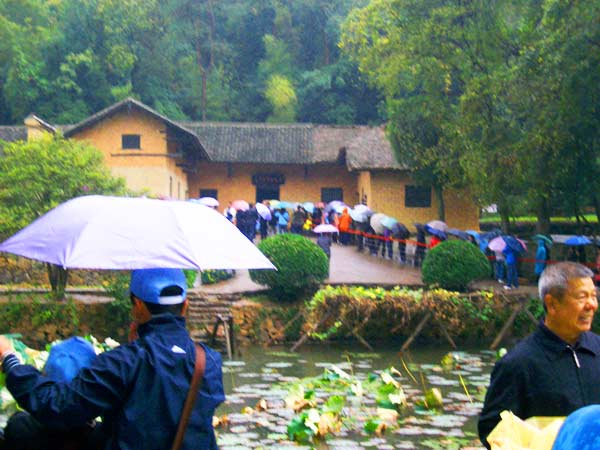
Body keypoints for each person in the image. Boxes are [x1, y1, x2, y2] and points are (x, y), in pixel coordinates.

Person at [0, 268, 225, 450]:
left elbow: (57, 405)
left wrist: (9, 359)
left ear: (137, 306)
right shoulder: (209, 362)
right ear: (185, 306)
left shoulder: (122, 362)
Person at [478, 262, 600, 449]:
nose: (591, 305)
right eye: (582, 297)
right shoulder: (518, 364)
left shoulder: (597, 348)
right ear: (552, 304)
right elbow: (492, 430)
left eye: (594, 296)